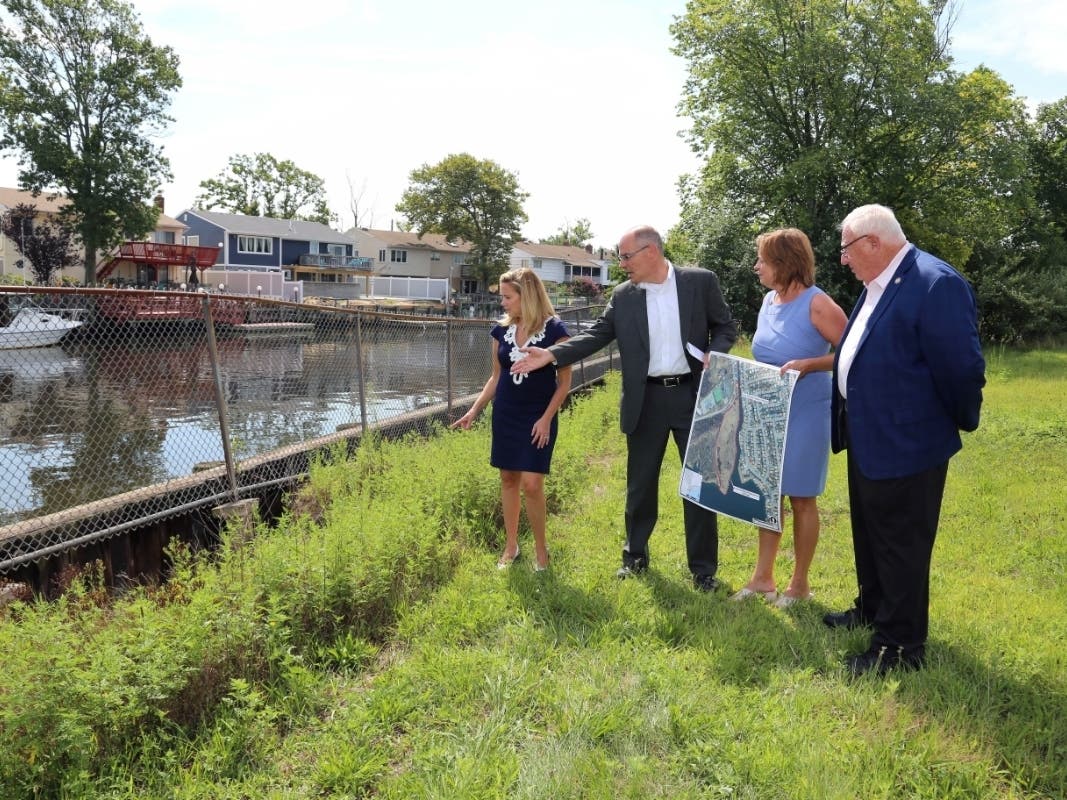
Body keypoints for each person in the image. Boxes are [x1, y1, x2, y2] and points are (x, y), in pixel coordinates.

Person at [512, 225, 736, 590]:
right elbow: (598, 334)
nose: (622, 265)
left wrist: (719, 351)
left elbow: (724, 326)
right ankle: (635, 558)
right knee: (640, 485)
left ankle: (703, 571)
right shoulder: (624, 295)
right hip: (644, 400)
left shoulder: (700, 282)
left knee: (698, 485)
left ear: (651, 252)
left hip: (691, 396)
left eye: (626, 257)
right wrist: (551, 354)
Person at [824, 204, 985, 676]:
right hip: (870, 436)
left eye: (847, 249)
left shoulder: (935, 284)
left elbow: (962, 370)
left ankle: (899, 646)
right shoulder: (879, 283)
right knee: (872, 535)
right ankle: (873, 608)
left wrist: (947, 423)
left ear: (873, 242)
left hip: (909, 444)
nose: (843, 260)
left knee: (901, 545)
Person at [730, 228, 848, 608]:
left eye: (762, 260)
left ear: (784, 263)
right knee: (767, 495)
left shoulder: (819, 304)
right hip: (769, 410)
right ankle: (762, 579)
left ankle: (799, 585)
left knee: (801, 497)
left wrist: (811, 364)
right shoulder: (767, 301)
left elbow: (853, 355)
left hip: (808, 411)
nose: (756, 267)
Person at [452, 267, 572, 571]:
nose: (502, 303)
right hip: (506, 413)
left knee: (532, 484)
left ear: (526, 295)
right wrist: (474, 409)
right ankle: (511, 546)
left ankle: (542, 552)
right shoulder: (500, 331)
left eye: (507, 297)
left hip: (538, 415)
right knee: (508, 478)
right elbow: (495, 377)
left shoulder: (556, 331)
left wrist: (546, 419)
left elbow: (565, 384)